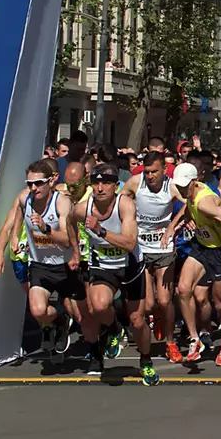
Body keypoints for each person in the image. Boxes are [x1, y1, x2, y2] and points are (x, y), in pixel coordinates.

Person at [64, 163, 158, 385]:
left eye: (106, 183)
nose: (100, 188)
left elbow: (129, 243)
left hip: (130, 266)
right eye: (96, 183)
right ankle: (115, 329)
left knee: (137, 321)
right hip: (103, 265)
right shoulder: (83, 209)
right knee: (98, 306)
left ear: (116, 186)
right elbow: (69, 221)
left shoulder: (125, 205)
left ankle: (145, 360)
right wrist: (75, 252)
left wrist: (100, 230)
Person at [0, 159, 82, 363]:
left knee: (81, 316)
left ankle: (96, 338)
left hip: (64, 265)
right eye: (30, 183)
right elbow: (16, 218)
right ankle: (57, 322)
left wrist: (45, 229)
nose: (34, 188)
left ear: (50, 182)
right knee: (38, 310)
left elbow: (67, 240)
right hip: (39, 264)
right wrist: (8, 243)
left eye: (39, 183)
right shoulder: (24, 198)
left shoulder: (61, 203)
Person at [118, 151, 183, 362]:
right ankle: (157, 316)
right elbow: (119, 200)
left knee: (165, 300)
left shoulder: (171, 186)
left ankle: (171, 343)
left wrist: (172, 226)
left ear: (164, 169)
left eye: (154, 171)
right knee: (147, 305)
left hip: (163, 247)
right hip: (141, 248)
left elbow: (191, 203)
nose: (150, 176)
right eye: (147, 172)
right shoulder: (135, 183)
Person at [173, 159, 221, 365]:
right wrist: (174, 227)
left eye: (184, 186)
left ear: (194, 182)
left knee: (220, 304)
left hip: (219, 251)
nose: (181, 190)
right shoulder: (192, 192)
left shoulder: (205, 203)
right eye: (179, 186)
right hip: (201, 247)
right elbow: (187, 208)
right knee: (183, 289)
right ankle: (195, 340)